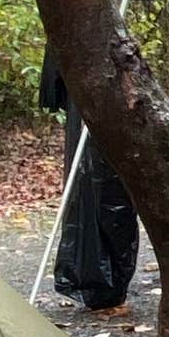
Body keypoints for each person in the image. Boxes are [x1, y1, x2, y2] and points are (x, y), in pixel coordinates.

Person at [37, 49, 138, 310]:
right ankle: (95, 280)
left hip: (102, 124)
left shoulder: (96, 34)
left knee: (108, 198)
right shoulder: (74, 31)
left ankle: (106, 281)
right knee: (90, 195)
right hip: (86, 118)